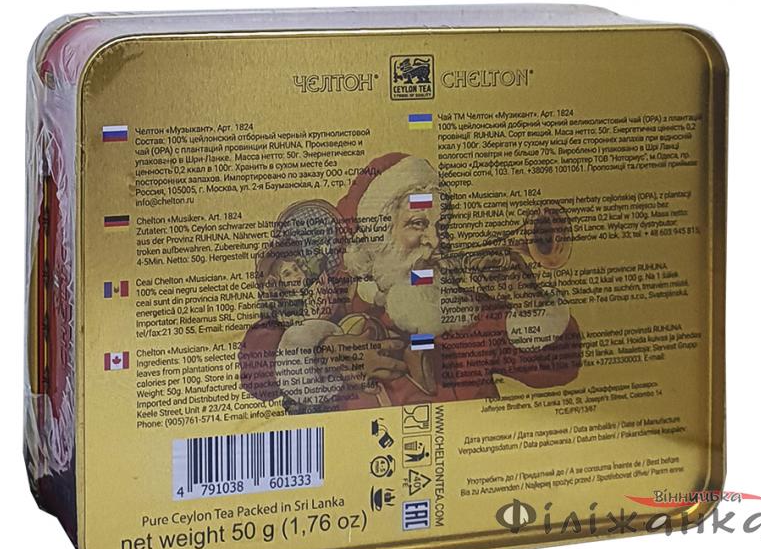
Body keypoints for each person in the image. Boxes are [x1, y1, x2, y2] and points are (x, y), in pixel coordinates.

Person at [239, 152, 581, 412]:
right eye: (418, 224)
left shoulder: (465, 312)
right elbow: (255, 376)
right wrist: (323, 350)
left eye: (439, 226)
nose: (435, 241)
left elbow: (559, 370)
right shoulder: (335, 299)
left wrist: (529, 299)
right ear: (378, 236)